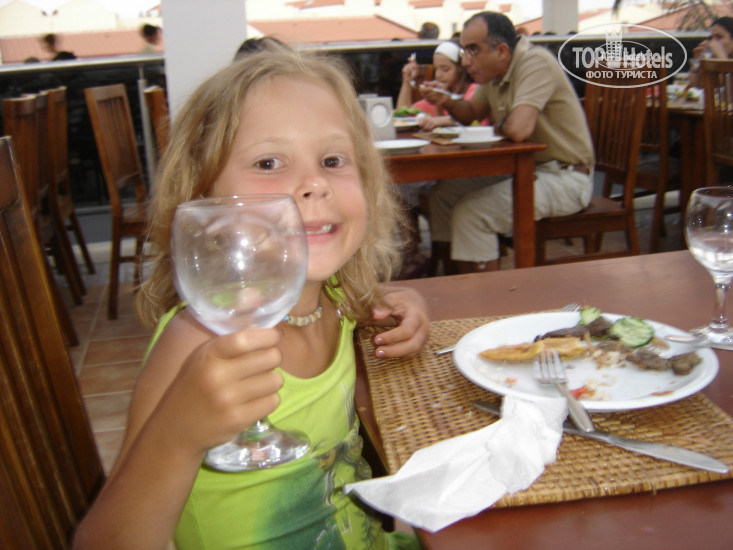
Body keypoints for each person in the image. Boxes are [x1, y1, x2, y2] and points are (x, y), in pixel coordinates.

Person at [72, 42, 428, 550]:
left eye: (333, 160)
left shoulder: (336, 302)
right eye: (268, 162)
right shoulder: (199, 341)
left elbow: (370, 305)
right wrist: (178, 433)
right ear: (205, 200)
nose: (314, 183)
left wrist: (406, 302)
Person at [420, 11, 594, 274]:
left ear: (501, 50)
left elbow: (519, 129)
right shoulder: (493, 74)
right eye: (464, 51)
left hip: (566, 177)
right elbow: (471, 113)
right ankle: (457, 278)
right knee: (444, 195)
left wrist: (497, 127)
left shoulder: (535, 62)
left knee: (473, 212)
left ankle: (488, 295)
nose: (465, 61)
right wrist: (447, 102)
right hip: (527, 171)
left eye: (473, 50)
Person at [396, 40, 482, 131]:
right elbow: (403, 115)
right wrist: (407, 81)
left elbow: (471, 116)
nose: (438, 75)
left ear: (460, 69)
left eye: (445, 69)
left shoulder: (474, 90)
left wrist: (439, 121)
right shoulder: (437, 95)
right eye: (436, 69)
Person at [688, 16, 733, 88]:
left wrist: (722, 58)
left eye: (719, 37)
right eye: (711, 38)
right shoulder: (717, 61)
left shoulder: (722, 59)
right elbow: (697, 85)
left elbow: (728, 86)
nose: (713, 42)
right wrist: (697, 62)